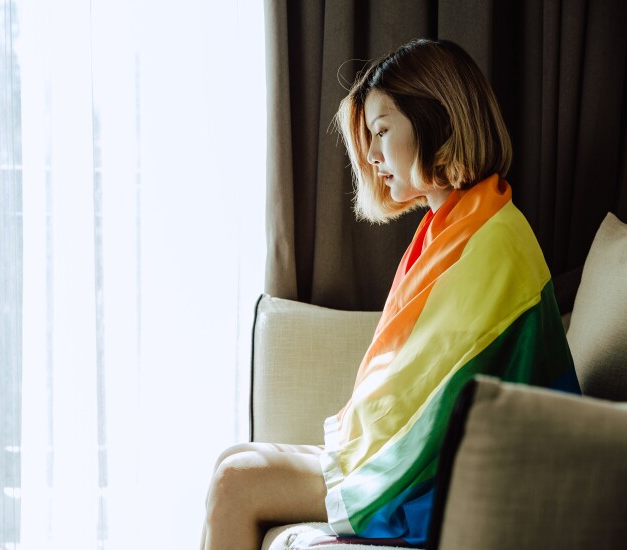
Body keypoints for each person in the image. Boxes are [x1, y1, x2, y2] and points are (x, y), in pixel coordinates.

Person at [201, 38, 580, 550]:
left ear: (437, 119)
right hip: (417, 456)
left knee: (235, 483)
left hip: (450, 476)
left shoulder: (494, 239)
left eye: (382, 132)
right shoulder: (450, 227)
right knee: (232, 460)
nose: (373, 156)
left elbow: (440, 396)